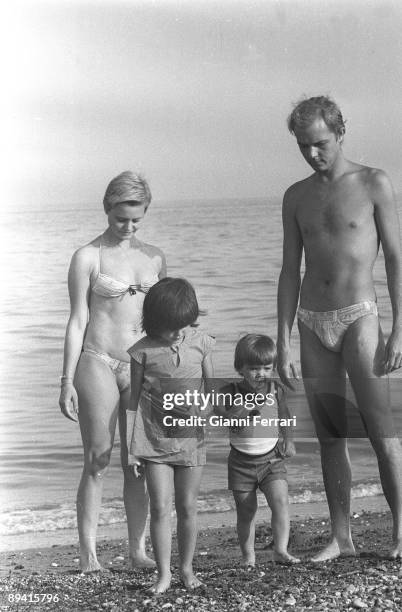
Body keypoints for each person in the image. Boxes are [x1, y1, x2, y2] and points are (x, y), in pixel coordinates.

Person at [277, 95, 402, 560]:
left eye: (320, 143)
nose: (313, 153)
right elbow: (290, 270)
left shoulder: (373, 183)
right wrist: (283, 338)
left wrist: (398, 329)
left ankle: (400, 533)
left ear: (340, 133)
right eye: (303, 146)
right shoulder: (295, 196)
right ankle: (341, 537)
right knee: (330, 432)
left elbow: (394, 258)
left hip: (359, 316)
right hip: (312, 321)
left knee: (380, 429)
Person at [59, 171, 166, 572]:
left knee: (136, 460)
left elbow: (162, 320)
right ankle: (89, 554)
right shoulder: (87, 257)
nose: (129, 226)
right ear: (107, 208)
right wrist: (66, 380)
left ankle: (137, 551)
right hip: (97, 361)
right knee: (98, 459)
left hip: (140, 365)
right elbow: (76, 321)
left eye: (137, 218)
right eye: (122, 218)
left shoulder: (154, 256)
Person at [127, 277, 215, 593]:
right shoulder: (142, 351)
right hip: (153, 439)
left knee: (188, 506)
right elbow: (133, 401)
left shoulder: (201, 342)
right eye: (171, 326)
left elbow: (212, 388)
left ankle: (187, 570)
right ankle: (163, 575)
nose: (178, 332)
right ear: (153, 321)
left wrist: (208, 408)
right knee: (160, 507)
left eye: (183, 324)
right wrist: (132, 449)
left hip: (192, 436)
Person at [215, 334, 299, 566]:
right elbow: (217, 410)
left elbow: (285, 416)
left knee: (280, 501)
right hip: (241, 463)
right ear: (239, 368)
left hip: (272, 459)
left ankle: (280, 550)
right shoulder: (228, 391)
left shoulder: (275, 389)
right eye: (253, 368)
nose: (260, 373)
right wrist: (231, 415)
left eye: (266, 367)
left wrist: (289, 440)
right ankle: (248, 555)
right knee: (246, 511)